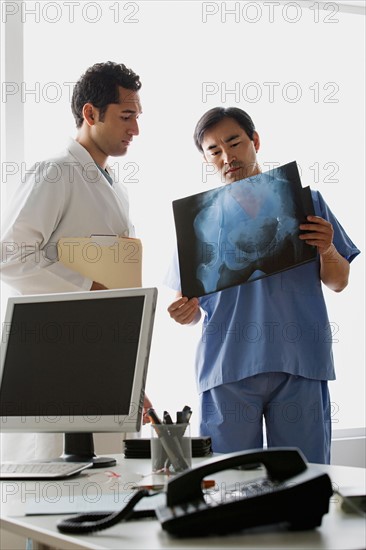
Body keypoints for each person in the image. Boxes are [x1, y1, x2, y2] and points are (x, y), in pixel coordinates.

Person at [167, 106, 360, 464]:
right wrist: (183, 312)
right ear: (207, 159)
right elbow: (188, 307)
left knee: (305, 481)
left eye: (234, 142)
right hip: (228, 367)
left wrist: (328, 248)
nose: (228, 157)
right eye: (214, 151)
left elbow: (339, 281)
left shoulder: (306, 202)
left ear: (255, 140)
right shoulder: (198, 222)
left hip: (299, 361)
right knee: (228, 486)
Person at [0, 61, 152, 461]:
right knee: (50, 482)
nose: (135, 129)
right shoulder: (55, 173)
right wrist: (88, 289)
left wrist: (133, 376)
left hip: (103, 359)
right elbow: (11, 255)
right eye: (126, 116)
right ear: (90, 113)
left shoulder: (116, 189)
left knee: (104, 483)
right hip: (54, 356)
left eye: (136, 117)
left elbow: (118, 287)